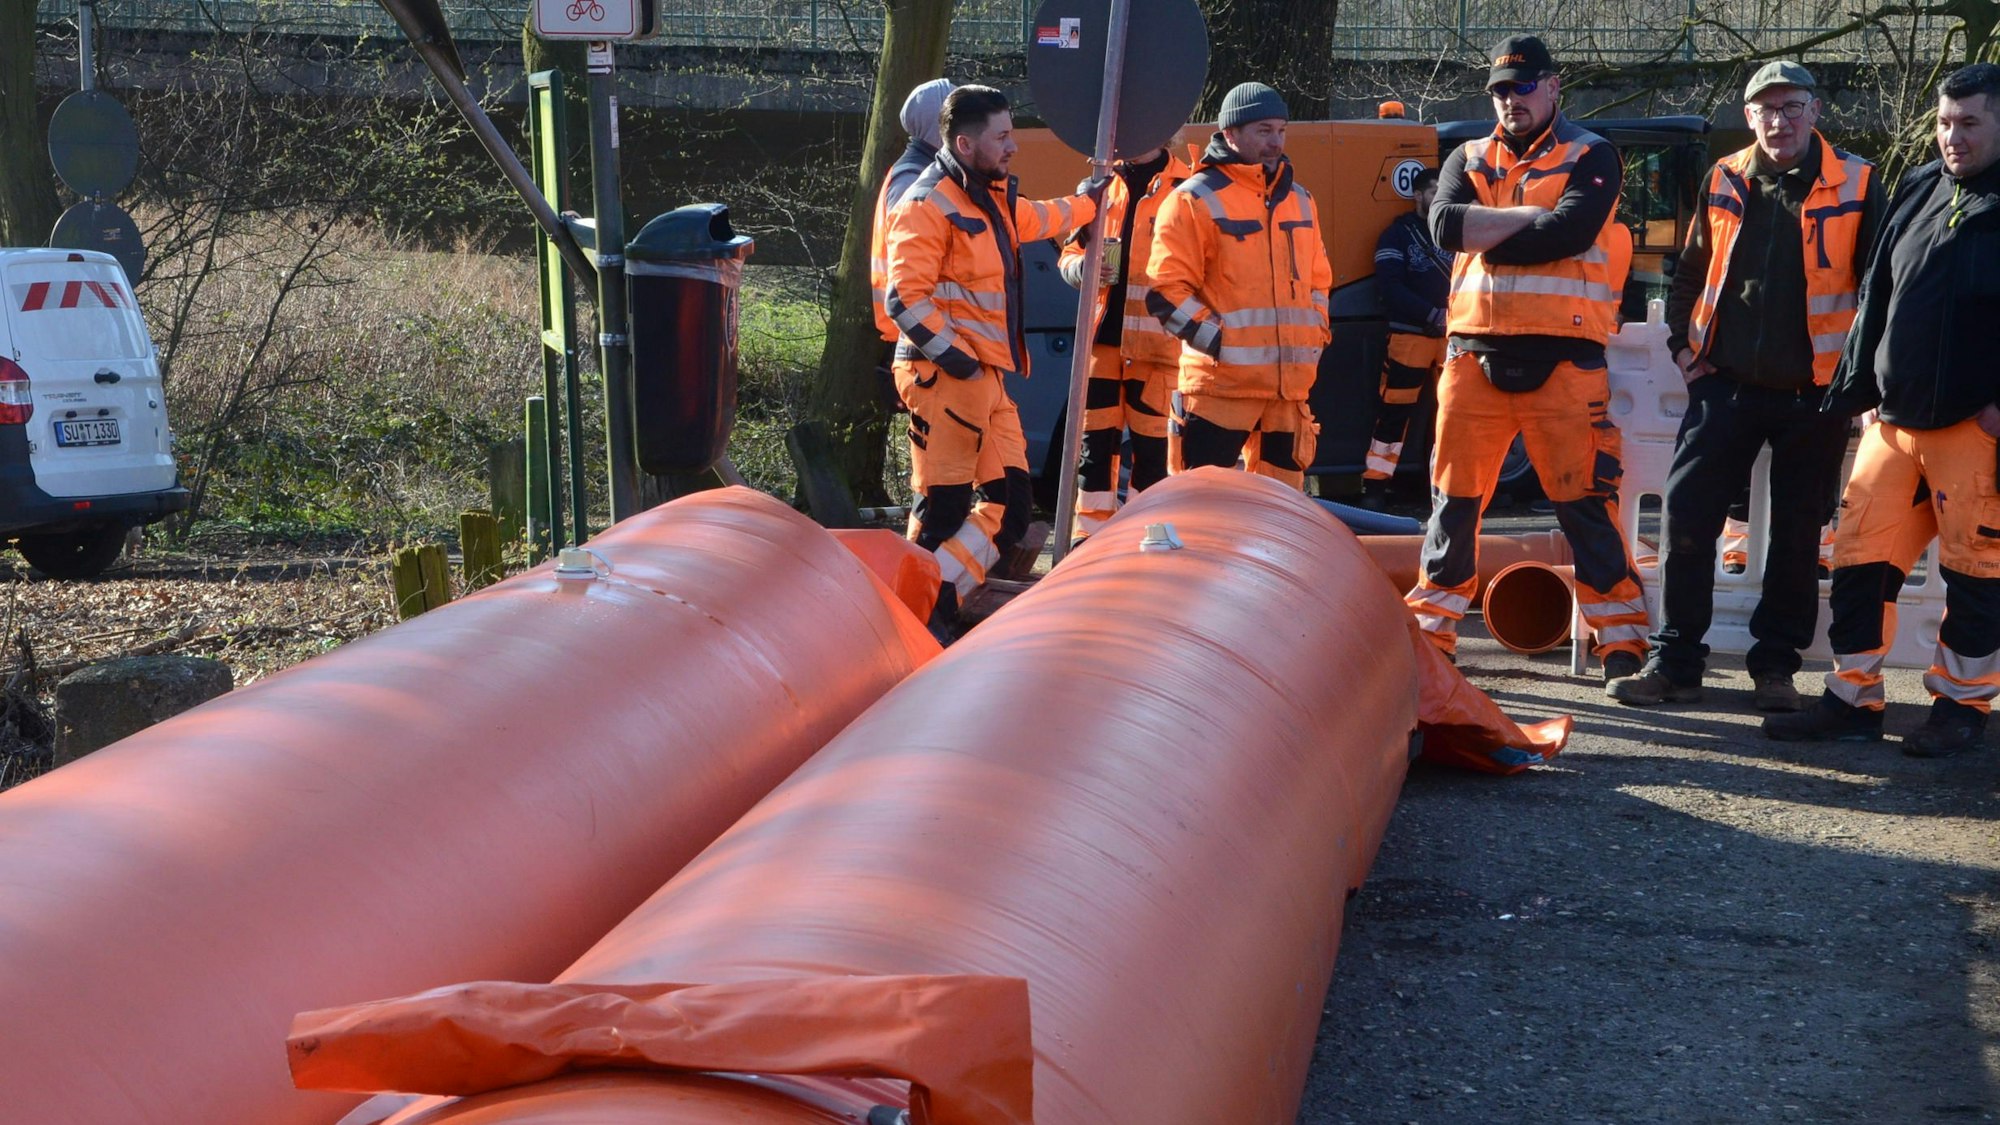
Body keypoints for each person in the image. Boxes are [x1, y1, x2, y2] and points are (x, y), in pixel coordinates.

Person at [1607, 61, 1880, 712]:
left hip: (1815, 392)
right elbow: (1691, 270)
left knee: (1796, 537)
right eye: (1767, 109)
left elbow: (1878, 287)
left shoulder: (1859, 181)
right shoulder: (1724, 175)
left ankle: (1775, 668)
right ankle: (1675, 663)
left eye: (1792, 108)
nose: (1779, 121)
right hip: (1724, 384)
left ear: (1815, 112)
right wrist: (1682, 348)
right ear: (1749, 115)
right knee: (1687, 519)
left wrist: (1859, 380)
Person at [1765, 62, 2000, 755]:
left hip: (1974, 425)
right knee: (1859, 560)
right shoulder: (1922, 184)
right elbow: (1877, 291)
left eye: (1970, 123)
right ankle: (1852, 699)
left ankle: (1961, 708)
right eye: (1944, 122)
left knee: (1976, 573)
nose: (1952, 137)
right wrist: (1863, 388)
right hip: (1893, 420)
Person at [1402, 34, 1649, 682]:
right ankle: (1431, 638)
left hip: (1565, 365)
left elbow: (1570, 231)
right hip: (1471, 358)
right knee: (1453, 505)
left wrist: (1491, 229)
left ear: (1553, 87)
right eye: (1500, 91)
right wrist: (1532, 218)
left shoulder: (1592, 154)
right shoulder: (1467, 155)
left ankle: (1621, 642)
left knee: (1585, 506)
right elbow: (1445, 228)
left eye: (1523, 86)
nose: (1510, 99)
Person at [882, 85, 1098, 634]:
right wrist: (959, 361)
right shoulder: (926, 204)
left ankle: (930, 607)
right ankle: (911, 622)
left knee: (1010, 512)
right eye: (1001, 137)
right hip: (944, 378)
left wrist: (1091, 201)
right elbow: (904, 299)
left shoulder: (990, 198)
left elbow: (1039, 218)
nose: (1012, 146)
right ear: (965, 143)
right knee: (944, 509)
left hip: (983, 380)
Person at [1146, 82, 1333, 491]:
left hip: (1288, 394)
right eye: (1264, 131)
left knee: (1279, 517)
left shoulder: (1301, 200)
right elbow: (1165, 292)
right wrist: (1220, 343)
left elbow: (1319, 281)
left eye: (1281, 131)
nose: (1275, 142)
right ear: (1230, 134)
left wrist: (1315, 330)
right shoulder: (1192, 199)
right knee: (1203, 512)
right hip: (1219, 393)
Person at [1057, 141, 1193, 540]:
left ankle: (1144, 544)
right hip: (1101, 346)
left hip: (1159, 351)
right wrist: (1083, 269)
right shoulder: (1100, 185)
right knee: (1094, 454)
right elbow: (1070, 253)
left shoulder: (1186, 187)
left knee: (1154, 457)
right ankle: (1089, 543)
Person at [1360, 165, 1451, 508]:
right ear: (1418, 196)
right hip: (1409, 338)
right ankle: (1375, 487)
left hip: (1454, 337)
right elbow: (1390, 287)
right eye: (1434, 192)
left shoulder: (1456, 233)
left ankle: (1447, 488)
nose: (1440, 198)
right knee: (1394, 414)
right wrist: (1431, 315)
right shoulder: (1396, 235)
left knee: (1454, 415)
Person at [870, 79, 956, 349]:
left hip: (919, 333)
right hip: (916, 337)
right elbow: (907, 281)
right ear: (940, 125)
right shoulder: (912, 180)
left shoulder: (918, 173)